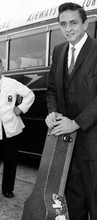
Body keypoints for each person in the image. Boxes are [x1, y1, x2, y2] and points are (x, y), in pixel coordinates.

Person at [45, 2, 97, 220]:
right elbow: (51, 91)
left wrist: (75, 123)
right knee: (74, 202)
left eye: (73, 23)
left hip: (96, 145)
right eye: (63, 24)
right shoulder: (58, 52)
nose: (68, 29)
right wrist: (53, 112)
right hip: (67, 146)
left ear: (86, 23)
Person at [0, 59, 35, 198]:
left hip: (11, 129)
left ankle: (7, 189)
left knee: (11, 161)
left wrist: (20, 108)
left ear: (2, 68)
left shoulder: (12, 83)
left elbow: (30, 95)